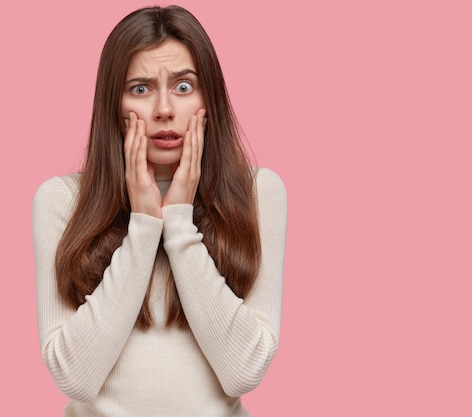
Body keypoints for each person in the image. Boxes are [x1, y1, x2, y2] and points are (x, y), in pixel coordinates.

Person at [32, 5, 287, 417]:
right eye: (140, 88)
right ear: (113, 104)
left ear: (210, 98)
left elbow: (243, 372)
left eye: (184, 87)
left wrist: (179, 222)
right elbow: (75, 378)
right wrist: (144, 224)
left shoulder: (258, 193)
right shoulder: (60, 200)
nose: (164, 109)